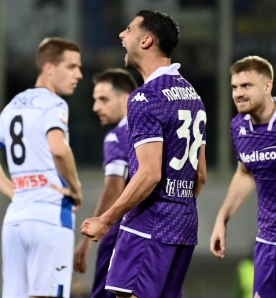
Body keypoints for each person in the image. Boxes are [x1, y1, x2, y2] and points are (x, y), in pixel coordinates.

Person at [80, 10, 208, 298]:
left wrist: (106, 219)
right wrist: (178, 208)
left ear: (147, 40)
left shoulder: (144, 97)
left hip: (148, 226)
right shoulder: (193, 96)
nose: (122, 35)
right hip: (185, 224)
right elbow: (200, 175)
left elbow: (149, 174)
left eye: (128, 29)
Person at [0, 37, 83, 298]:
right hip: (50, 214)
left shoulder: (14, 105)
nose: (78, 74)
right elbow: (58, 148)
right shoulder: (54, 104)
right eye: (71, 66)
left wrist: (14, 191)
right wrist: (75, 187)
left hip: (16, 219)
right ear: (49, 67)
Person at [210, 55, 276, 298]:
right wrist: (222, 219)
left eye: (246, 86)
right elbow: (245, 173)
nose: (238, 93)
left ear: (267, 86)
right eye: (234, 87)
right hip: (266, 245)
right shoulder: (239, 127)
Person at [73, 68, 136, 298]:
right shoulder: (157, 129)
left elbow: (113, 189)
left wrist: (87, 241)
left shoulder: (118, 136)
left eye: (103, 99)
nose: (96, 107)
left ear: (126, 98)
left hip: (121, 232)